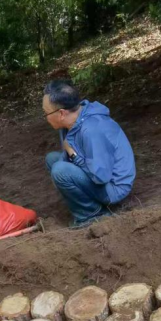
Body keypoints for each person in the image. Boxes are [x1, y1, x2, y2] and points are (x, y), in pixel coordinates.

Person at [41, 80, 136, 229]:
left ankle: (92, 215)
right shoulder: (71, 121)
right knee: (52, 160)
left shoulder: (92, 130)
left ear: (61, 113)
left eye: (46, 112)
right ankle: (87, 204)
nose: (45, 116)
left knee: (60, 170)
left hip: (113, 187)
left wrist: (72, 155)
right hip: (97, 172)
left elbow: (100, 177)